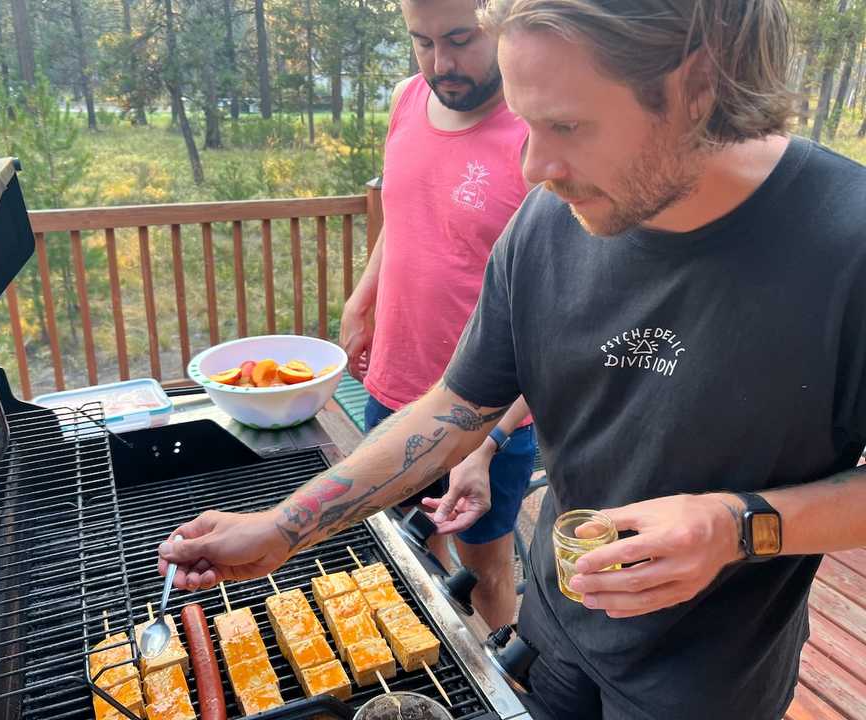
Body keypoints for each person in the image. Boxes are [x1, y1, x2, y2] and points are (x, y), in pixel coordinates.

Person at [159, 1, 866, 718]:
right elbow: (456, 407)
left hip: (708, 688)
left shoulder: (848, 241)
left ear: (698, 84)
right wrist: (285, 527)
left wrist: (737, 526)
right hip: (554, 635)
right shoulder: (549, 221)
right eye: (527, 123)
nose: (533, 167)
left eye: (565, 125)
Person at [338, 0, 535, 629]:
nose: (440, 63)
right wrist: (362, 299)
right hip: (395, 383)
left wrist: (492, 439)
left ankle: (508, 680)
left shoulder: (539, 127)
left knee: (485, 572)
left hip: (484, 409)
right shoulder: (405, 100)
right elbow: (402, 215)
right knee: (407, 549)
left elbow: (551, 309)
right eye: (422, 42)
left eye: (459, 39)